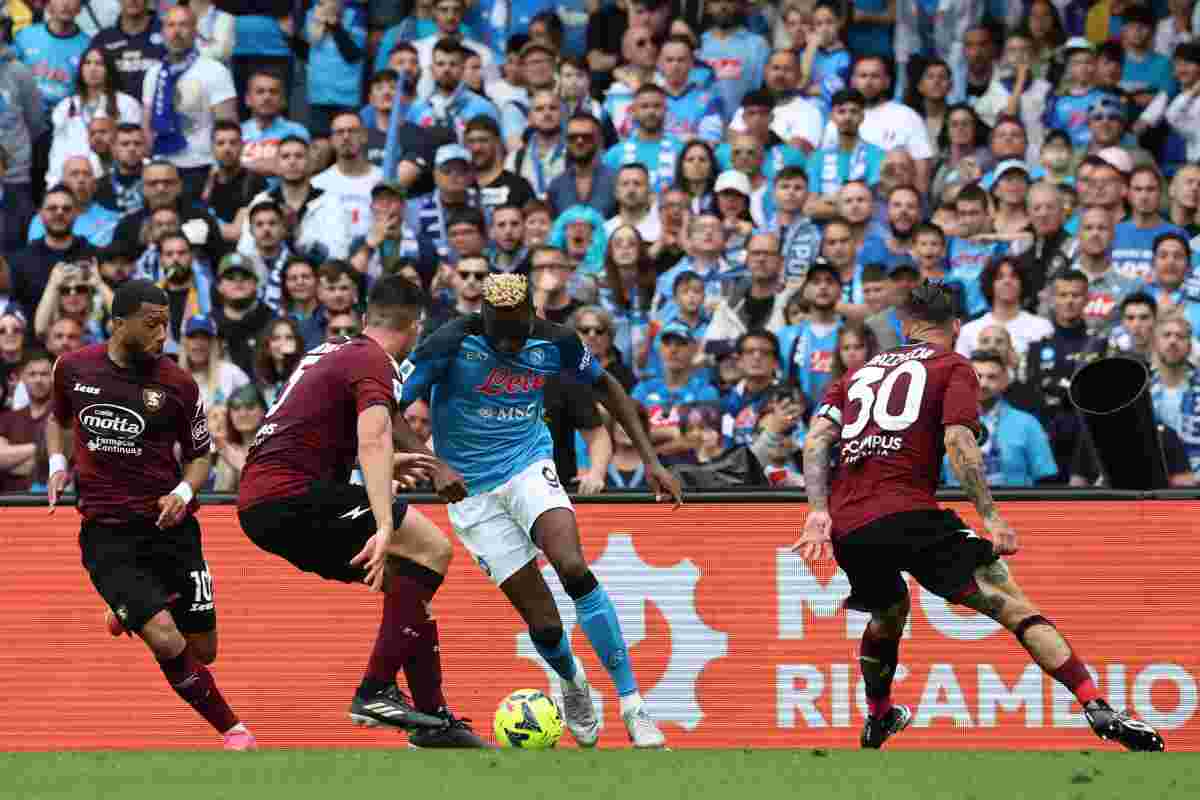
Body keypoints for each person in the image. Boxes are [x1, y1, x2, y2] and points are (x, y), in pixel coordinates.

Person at [793, 280, 1165, 753]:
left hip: (850, 524)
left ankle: (879, 715)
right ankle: (1098, 707)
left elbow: (816, 441)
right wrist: (990, 515)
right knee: (1010, 602)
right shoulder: (951, 366)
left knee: (888, 611)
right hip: (910, 512)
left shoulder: (855, 374)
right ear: (955, 326)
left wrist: (818, 512)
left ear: (905, 326)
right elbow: (958, 442)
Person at [398, 273, 682, 748]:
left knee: (573, 566)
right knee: (545, 622)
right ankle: (573, 681)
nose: (508, 343)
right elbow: (387, 403)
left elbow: (609, 387)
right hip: (471, 492)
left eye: (517, 331)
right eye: (498, 333)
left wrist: (652, 461)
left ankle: (635, 705)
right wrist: (433, 463)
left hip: (529, 463)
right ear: (481, 318)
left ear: (532, 315)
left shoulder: (558, 341)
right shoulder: (450, 341)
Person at [237, 275, 488, 747]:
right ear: (413, 325)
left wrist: (391, 462)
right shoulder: (376, 360)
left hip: (264, 500)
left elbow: (313, 437)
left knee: (407, 588)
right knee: (431, 549)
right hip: (292, 497)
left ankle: (433, 720)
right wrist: (385, 522)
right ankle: (374, 690)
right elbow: (373, 438)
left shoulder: (329, 351)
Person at [45, 279, 255, 750]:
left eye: (168, 324)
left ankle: (129, 608)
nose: (165, 335)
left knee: (204, 651)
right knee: (163, 636)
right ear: (120, 324)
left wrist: (183, 490)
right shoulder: (73, 368)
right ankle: (233, 730)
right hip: (108, 534)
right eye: (154, 324)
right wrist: (58, 464)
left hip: (171, 528)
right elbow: (58, 420)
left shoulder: (178, 384)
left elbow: (201, 455)